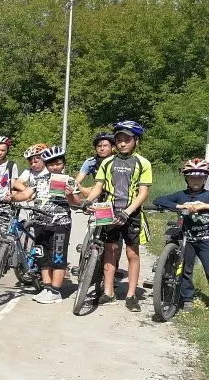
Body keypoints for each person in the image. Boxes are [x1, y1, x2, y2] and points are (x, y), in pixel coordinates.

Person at [88, 120, 152, 311]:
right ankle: (108, 292)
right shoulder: (107, 162)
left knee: (132, 253)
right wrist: (88, 201)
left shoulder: (143, 163)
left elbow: (143, 193)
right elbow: (98, 187)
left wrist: (127, 212)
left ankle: (131, 295)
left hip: (131, 213)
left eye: (127, 140)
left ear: (136, 141)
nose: (122, 143)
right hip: (109, 211)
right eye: (119, 140)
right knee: (110, 250)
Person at [9, 146, 84, 303]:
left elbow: (76, 203)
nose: (54, 167)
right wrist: (12, 197)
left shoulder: (70, 181)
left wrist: (70, 195)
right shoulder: (39, 180)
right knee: (42, 256)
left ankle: (55, 291)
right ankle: (47, 288)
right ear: (46, 165)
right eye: (51, 164)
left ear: (64, 164)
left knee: (58, 257)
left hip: (60, 224)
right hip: (40, 223)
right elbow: (26, 194)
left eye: (58, 163)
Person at [152, 158, 209, 312]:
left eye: (200, 177)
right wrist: (180, 205)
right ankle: (187, 298)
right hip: (187, 238)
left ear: (205, 179)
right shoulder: (181, 195)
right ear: (186, 179)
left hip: (205, 239)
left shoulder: (207, 196)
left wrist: (204, 206)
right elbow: (159, 200)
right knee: (185, 269)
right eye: (192, 177)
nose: (196, 180)